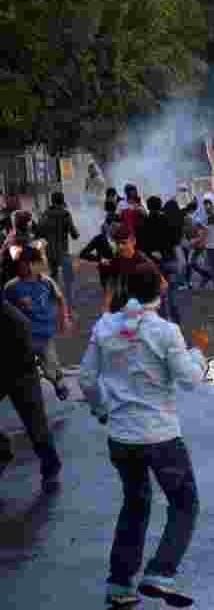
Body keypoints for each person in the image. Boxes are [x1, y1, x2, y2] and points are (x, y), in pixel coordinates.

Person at [79, 269, 207, 608]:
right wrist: (199, 354)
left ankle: (120, 583)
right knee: (184, 503)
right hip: (161, 435)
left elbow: (88, 379)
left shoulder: (105, 326)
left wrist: (102, 411)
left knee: (135, 504)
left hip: (121, 436)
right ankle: (161, 572)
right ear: (159, 293)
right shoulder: (166, 332)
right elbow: (191, 380)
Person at [0, 294, 62, 492]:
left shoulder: (11, 316)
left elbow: (26, 334)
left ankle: (51, 468)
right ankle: (2, 451)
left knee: (35, 423)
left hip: (21, 371)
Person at [5, 246, 73, 400]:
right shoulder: (11, 287)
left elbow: (60, 298)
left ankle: (57, 381)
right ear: (19, 265)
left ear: (38, 264)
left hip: (44, 334)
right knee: (22, 368)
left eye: (32, 263)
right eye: (24, 264)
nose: (28, 268)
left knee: (50, 367)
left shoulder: (46, 282)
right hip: (22, 337)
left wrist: (65, 319)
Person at [138, 197, 183, 326]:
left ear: (148, 206)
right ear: (160, 206)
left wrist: (153, 252)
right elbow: (175, 240)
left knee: (160, 296)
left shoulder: (144, 223)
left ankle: (164, 322)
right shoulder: (167, 220)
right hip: (170, 260)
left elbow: (141, 245)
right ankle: (177, 322)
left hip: (154, 264)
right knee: (173, 293)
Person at [104, 225, 166, 315]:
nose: (120, 247)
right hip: (121, 307)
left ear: (133, 241)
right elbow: (111, 282)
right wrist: (106, 304)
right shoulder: (117, 258)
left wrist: (149, 306)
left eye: (124, 243)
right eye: (117, 243)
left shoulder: (143, 261)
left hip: (140, 310)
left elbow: (163, 284)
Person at [34, 191, 79, 311]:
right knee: (69, 281)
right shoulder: (65, 214)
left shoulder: (45, 214)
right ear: (62, 200)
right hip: (63, 252)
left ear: (52, 201)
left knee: (53, 280)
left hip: (50, 252)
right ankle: (70, 306)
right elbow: (75, 234)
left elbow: (38, 232)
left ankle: (54, 304)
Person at [79, 203, 120, 294]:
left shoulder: (123, 238)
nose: (117, 228)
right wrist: (100, 259)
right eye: (114, 225)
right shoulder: (99, 239)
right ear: (108, 226)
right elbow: (83, 253)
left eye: (119, 225)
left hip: (121, 275)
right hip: (105, 274)